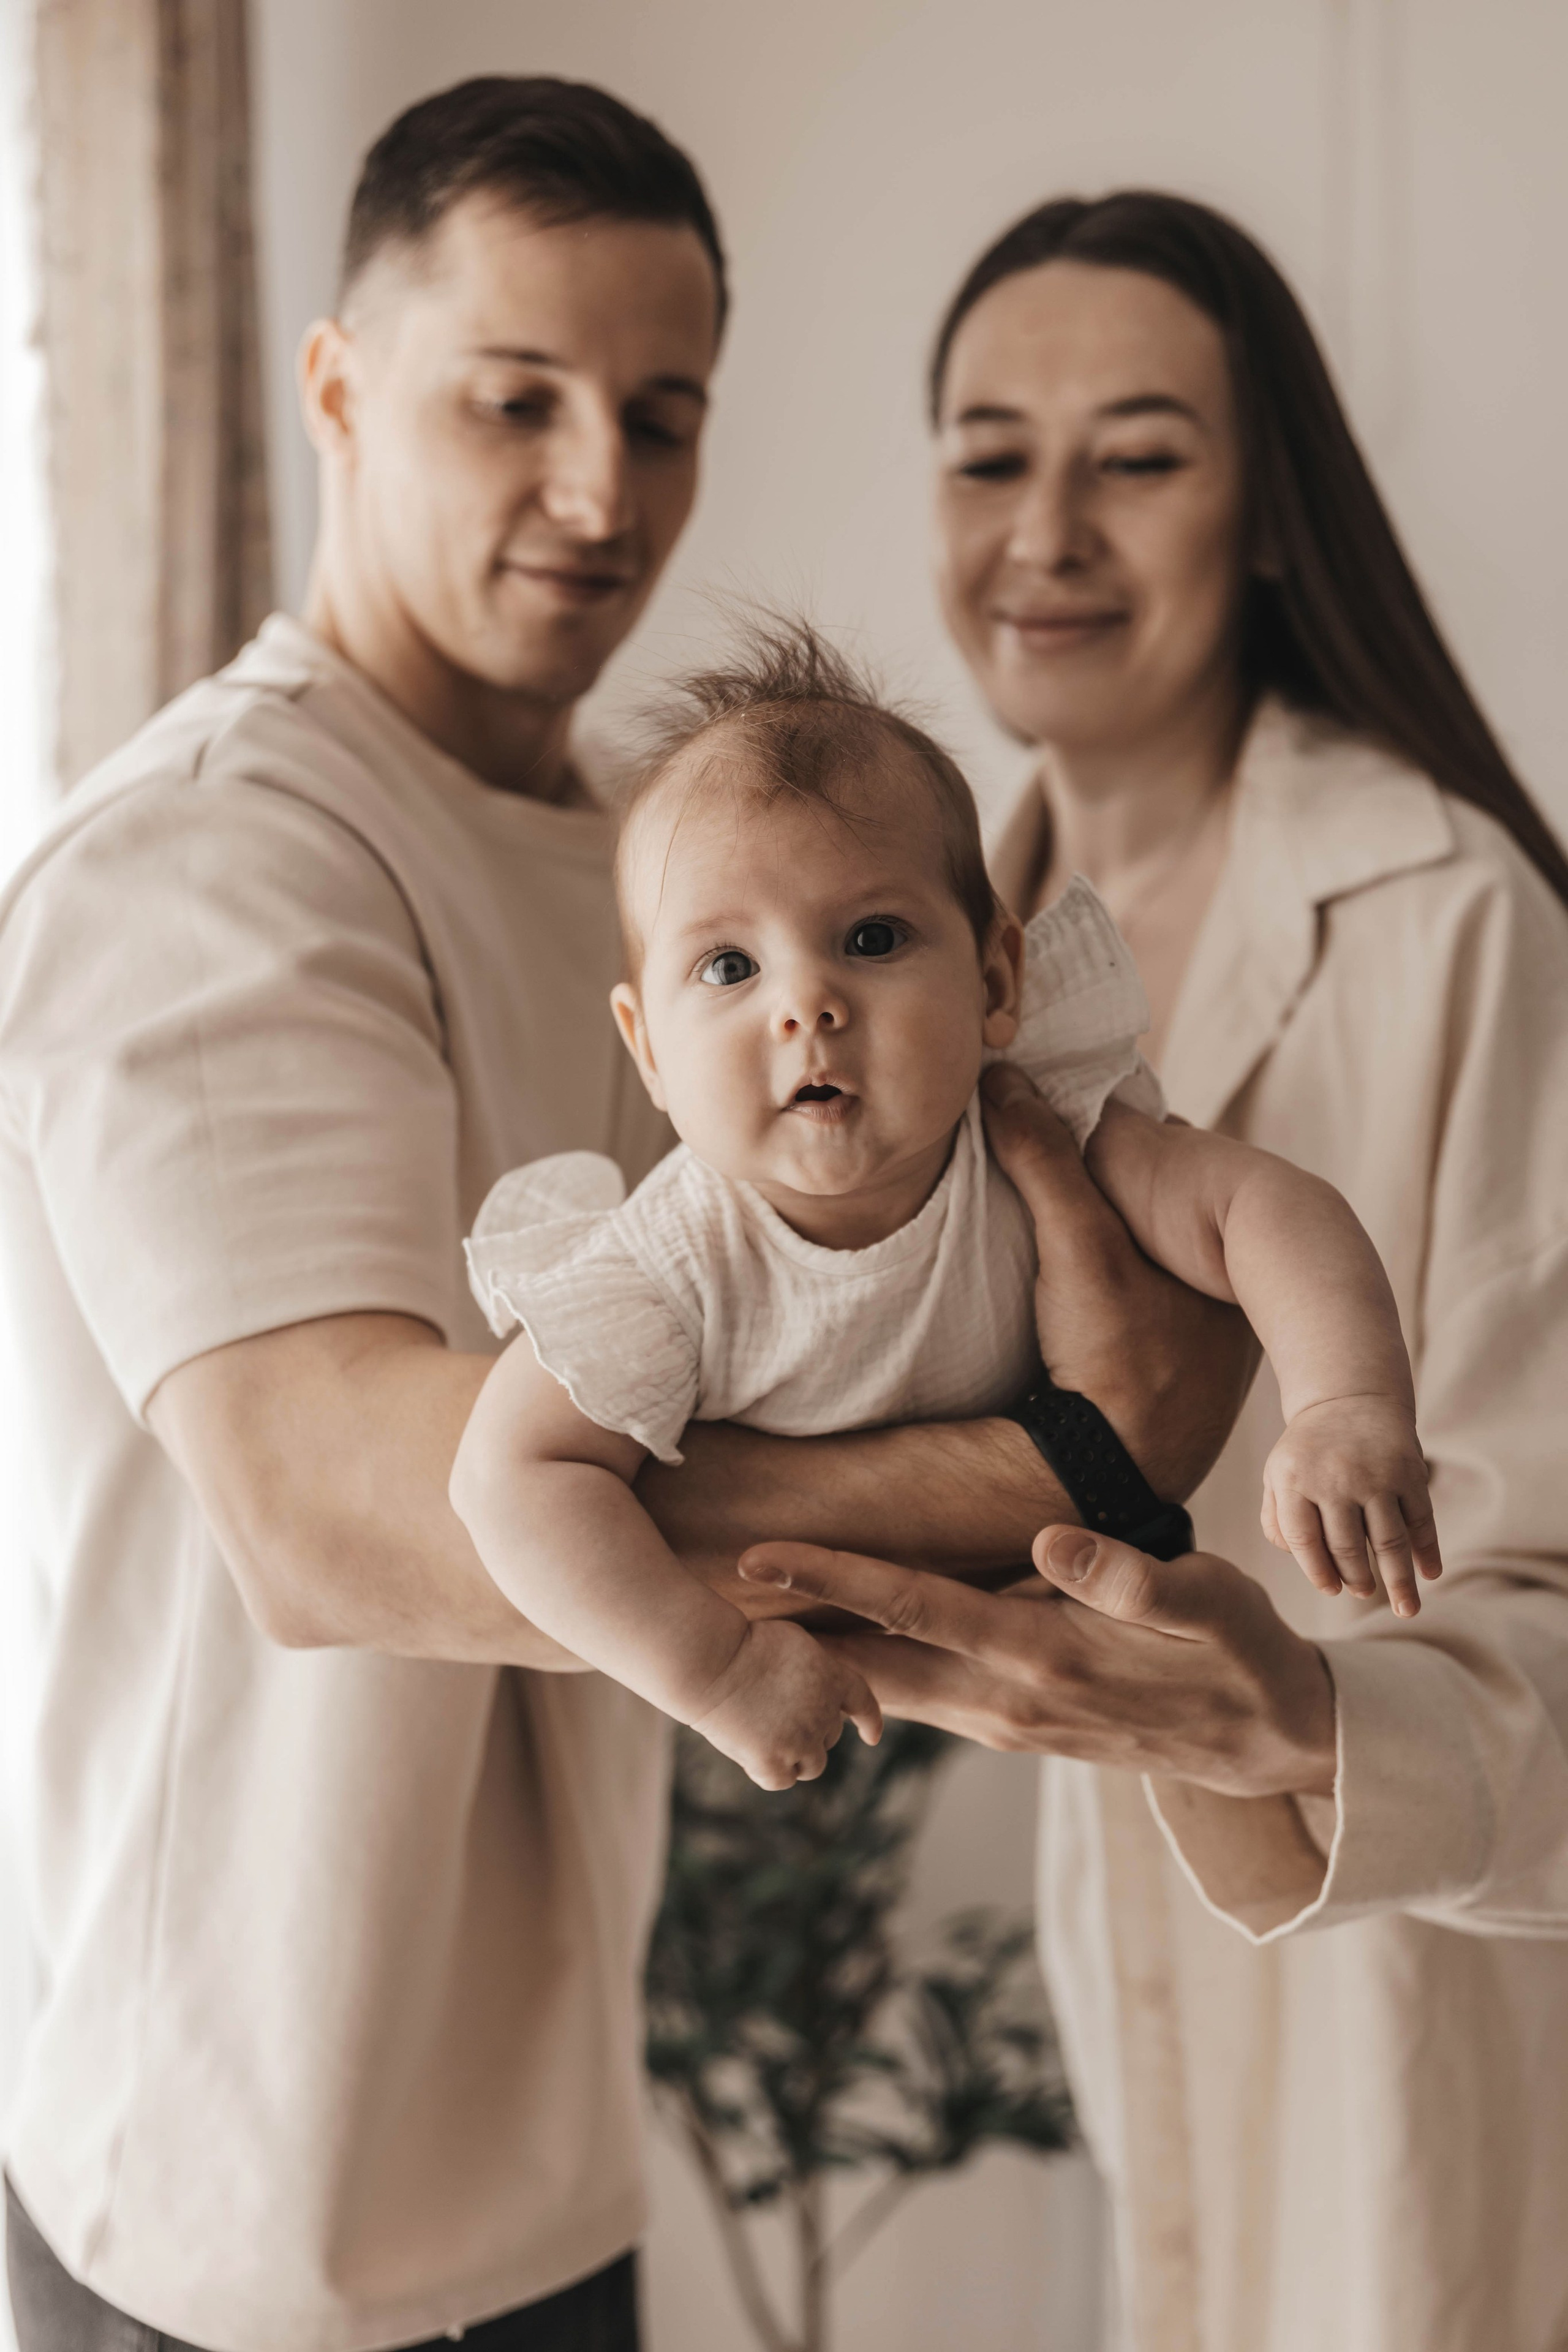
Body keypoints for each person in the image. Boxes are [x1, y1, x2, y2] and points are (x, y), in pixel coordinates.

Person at [0, 100, 1251, 2352]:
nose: (602, 494)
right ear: (335, 390)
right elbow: (336, 1512)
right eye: (518, 402)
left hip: (555, 2143)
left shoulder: (672, 878)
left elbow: (805, 1350)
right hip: (247, 2193)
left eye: (660, 415)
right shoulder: (212, 855)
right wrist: (1069, 1463)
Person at [753, 194, 1568, 2352]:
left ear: (1271, 510)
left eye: (1137, 455)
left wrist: (1307, 1714)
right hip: (1144, 1979)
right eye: (989, 452)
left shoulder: (1449, 914)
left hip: (1446, 1991)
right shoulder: (930, 956)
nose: (1048, 529)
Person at [448, 621, 1440, 1794]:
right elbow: (507, 1482)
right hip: (895, 1631)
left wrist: (1342, 1400)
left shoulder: (1044, 1129)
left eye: (870, 939)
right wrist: (714, 1672)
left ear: (995, 982)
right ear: (648, 1049)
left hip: (1096, 1590)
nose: (806, 1005)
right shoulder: (668, 1269)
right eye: (728, 967)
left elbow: (1261, 1208)